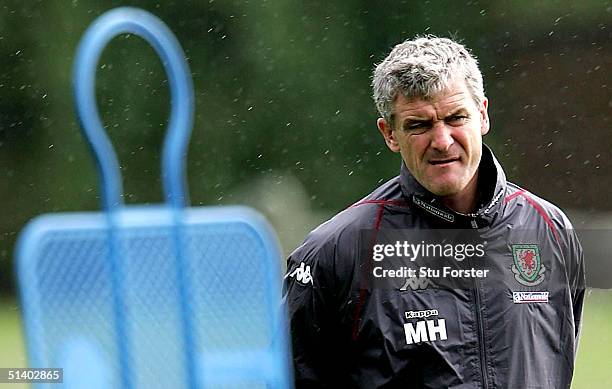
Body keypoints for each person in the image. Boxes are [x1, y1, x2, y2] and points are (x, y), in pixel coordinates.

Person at [282, 35, 585, 388]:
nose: (441, 141)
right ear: (390, 134)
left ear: (483, 114)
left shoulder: (550, 230)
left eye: (456, 117)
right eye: (419, 125)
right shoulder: (338, 253)